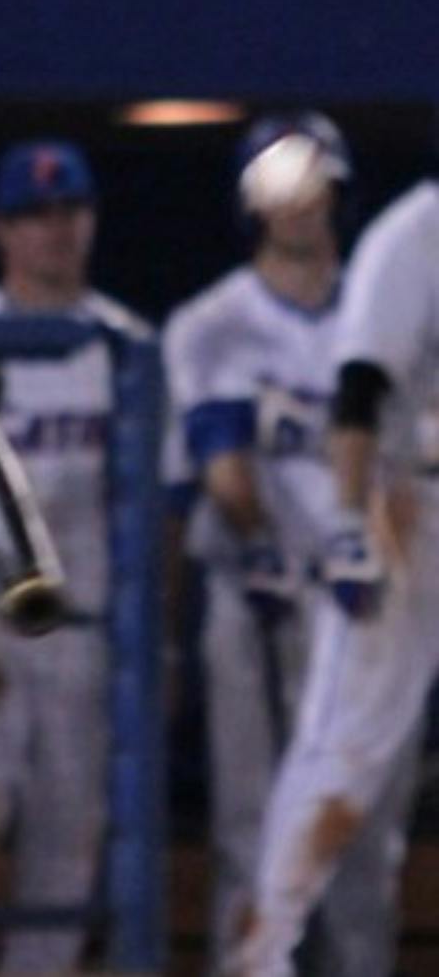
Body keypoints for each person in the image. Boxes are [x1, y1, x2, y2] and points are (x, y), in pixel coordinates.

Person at [164, 113, 417, 977]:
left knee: (363, 836)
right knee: (248, 824)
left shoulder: (388, 310)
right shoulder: (213, 322)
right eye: (284, 186)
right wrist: (259, 542)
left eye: (317, 184)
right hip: (257, 594)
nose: (302, 205)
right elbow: (225, 467)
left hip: (368, 597)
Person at [0, 141, 144, 976]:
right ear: (3, 230)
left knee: (68, 834)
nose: (56, 230)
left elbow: (151, 514)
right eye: (35, 214)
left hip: (83, 630)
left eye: (70, 210)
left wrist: (147, 640)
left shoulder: (123, 341)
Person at [228, 138, 439, 977]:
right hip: (408, 512)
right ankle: (262, 956)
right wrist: (349, 521)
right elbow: (360, 389)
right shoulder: (416, 232)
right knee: (341, 757)